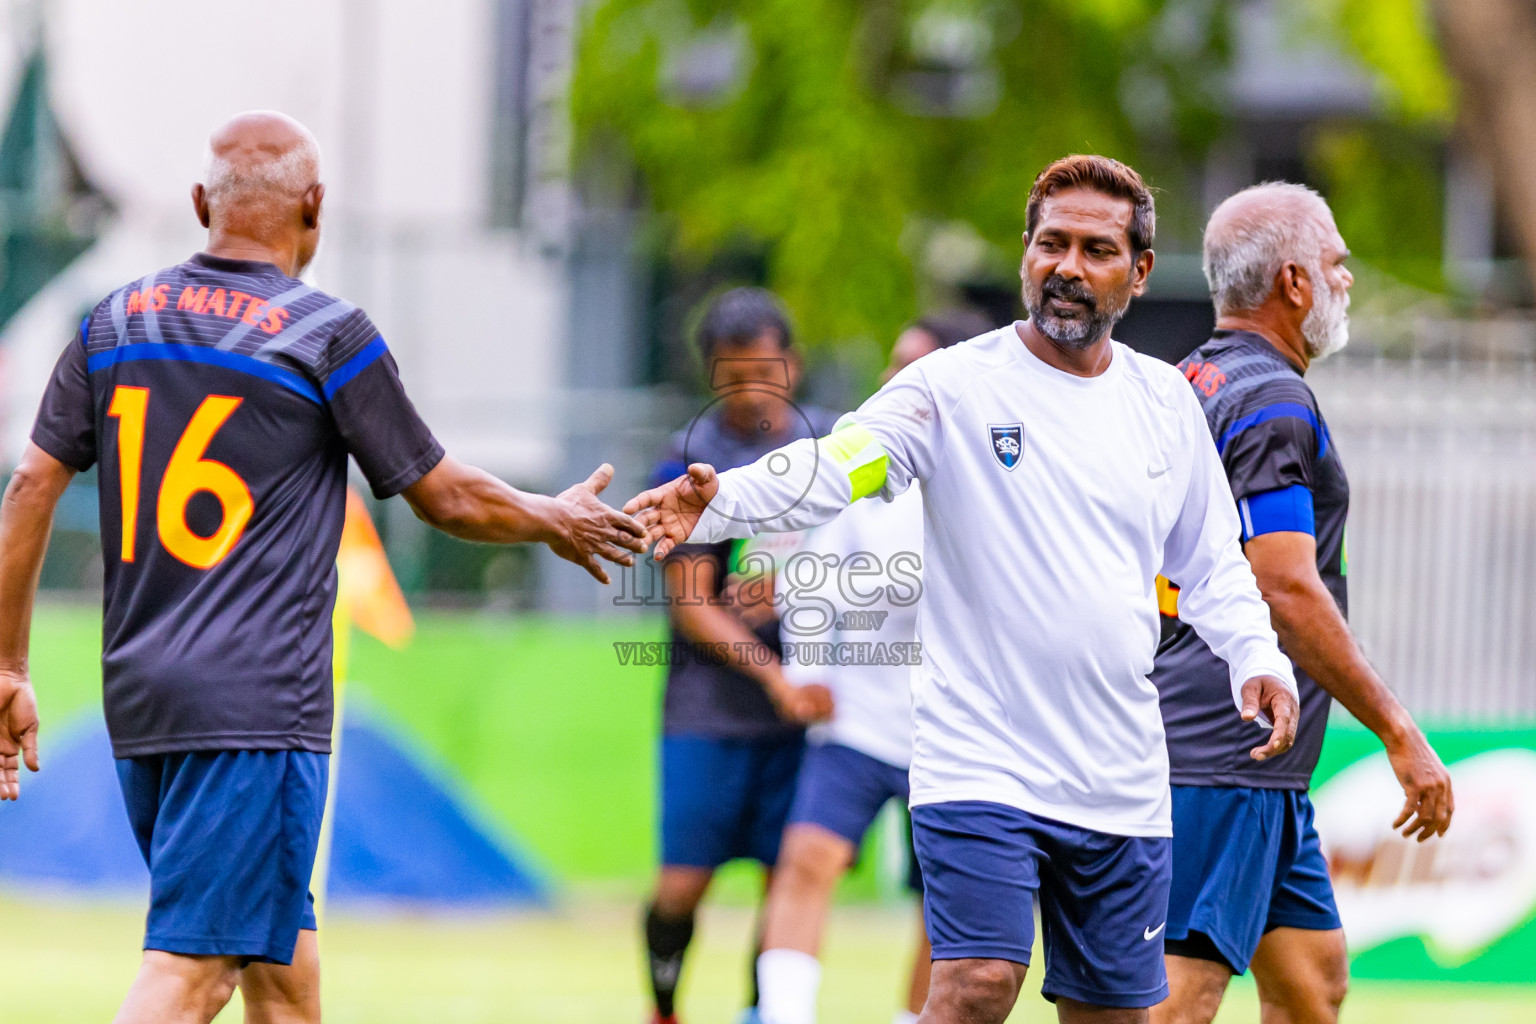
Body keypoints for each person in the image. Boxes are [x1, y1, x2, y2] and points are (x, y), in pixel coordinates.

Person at [0, 111, 644, 1024]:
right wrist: (555, 518)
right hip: (256, 708)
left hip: (143, 697)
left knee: (282, 974)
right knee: (196, 972)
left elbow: (29, 485)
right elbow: (442, 495)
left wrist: (8, 664)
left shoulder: (116, 321)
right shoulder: (325, 333)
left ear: (199, 206)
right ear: (315, 207)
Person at [626, 154, 1301, 1024]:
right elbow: (843, 463)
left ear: (1136, 273)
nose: (1067, 265)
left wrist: (1258, 656)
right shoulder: (952, 387)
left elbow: (1211, 563)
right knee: (977, 985)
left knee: (1116, 1017)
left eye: (1096, 249)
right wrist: (722, 501)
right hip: (978, 759)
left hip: (1119, 773)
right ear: (1025, 254)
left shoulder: (1165, 402)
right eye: (1050, 242)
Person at [1149, 182, 1454, 1024]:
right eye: (1335, 264)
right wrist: (1398, 731)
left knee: (1313, 982)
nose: (1345, 280)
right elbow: (1283, 584)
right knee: (1180, 997)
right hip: (1221, 750)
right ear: (1292, 282)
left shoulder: (1188, 382)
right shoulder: (1275, 403)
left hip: (1251, 762)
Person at [754, 309, 994, 1024]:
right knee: (806, 861)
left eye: (908, 367)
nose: (890, 380)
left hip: (956, 733)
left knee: (945, 905)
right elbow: (811, 579)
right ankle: (784, 1016)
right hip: (857, 717)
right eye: (890, 364)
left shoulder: (994, 478)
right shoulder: (860, 464)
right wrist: (806, 670)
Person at [641, 287, 839, 1024]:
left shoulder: (829, 449)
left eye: (765, 370)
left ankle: (763, 1014)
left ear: (793, 362)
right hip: (709, 710)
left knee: (784, 879)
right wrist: (774, 675)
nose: (751, 390)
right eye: (733, 376)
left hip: (807, 712)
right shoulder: (691, 463)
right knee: (682, 884)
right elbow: (694, 604)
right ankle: (663, 1007)